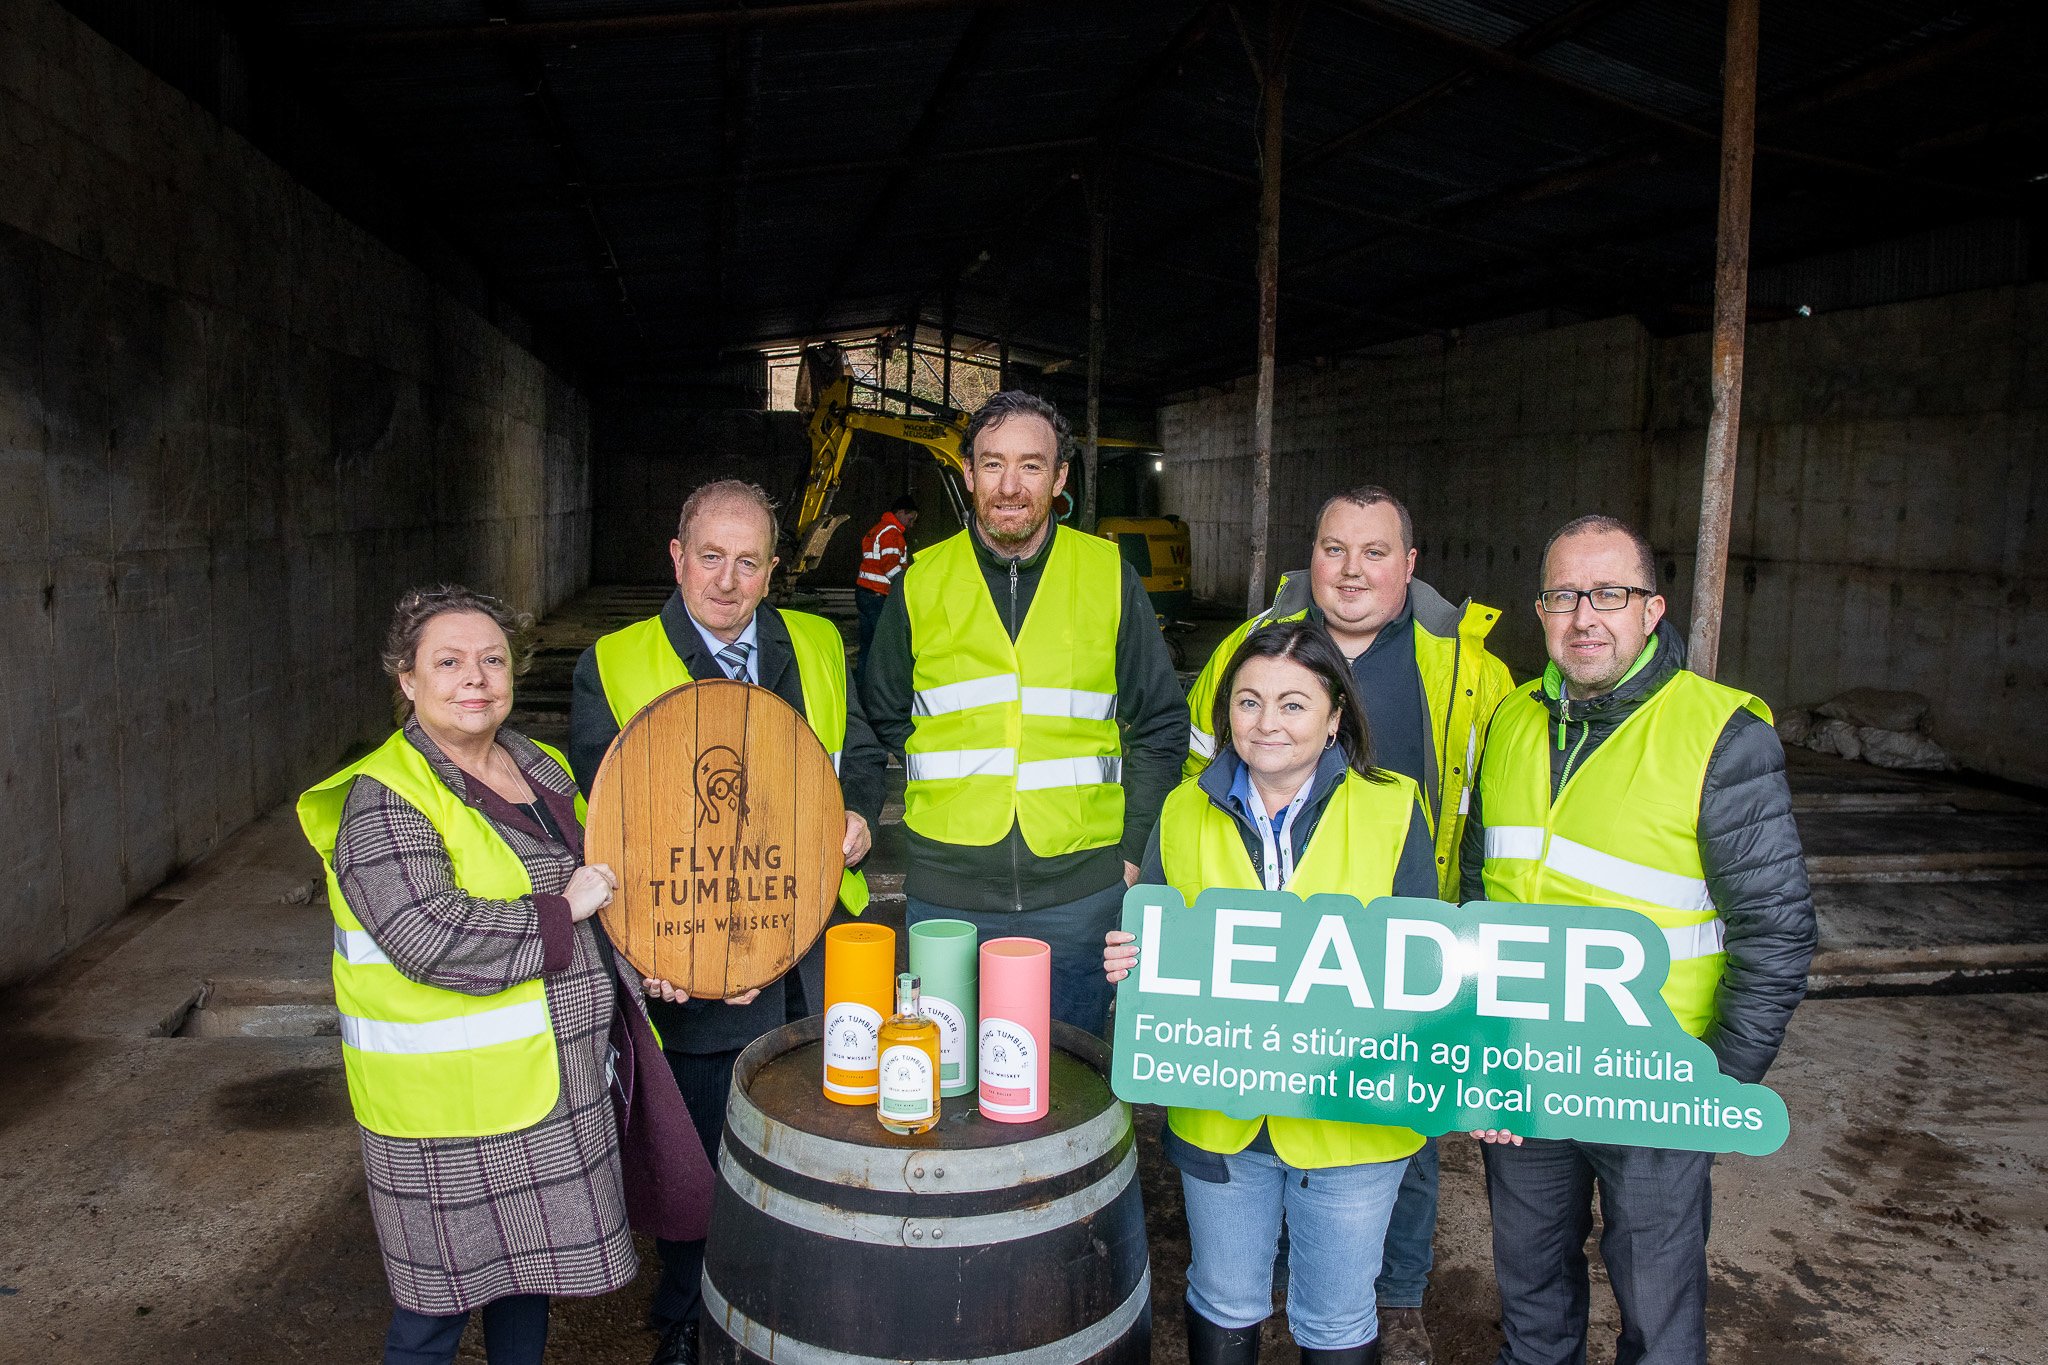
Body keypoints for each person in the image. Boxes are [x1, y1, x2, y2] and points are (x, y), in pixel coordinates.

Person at [1463, 514, 1816, 1365]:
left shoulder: (1719, 734)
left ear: (1651, 609)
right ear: (1540, 610)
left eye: (1609, 594)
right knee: (1531, 1299)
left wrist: (1715, 1086)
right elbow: (1481, 894)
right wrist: (1476, 1049)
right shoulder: (1511, 722)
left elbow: (1778, 929)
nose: (1585, 615)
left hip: (1656, 1082)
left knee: (1658, 1322)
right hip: (1528, 1072)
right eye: (1563, 595)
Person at [297, 585, 675, 1365]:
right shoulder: (386, 799)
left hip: (544, 1088)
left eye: (492, 659)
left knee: (524, 1283)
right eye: (449, 661)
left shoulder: (538, 762)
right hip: (446, 1115)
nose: (476, 677)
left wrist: (646, 963)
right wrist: (558, 910)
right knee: (433, 1315)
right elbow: (425, 934)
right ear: (407, 679)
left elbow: (606, 882)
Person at [1182, 485, 1515, 1362]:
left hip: (1400, 934)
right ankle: (1298, 1285)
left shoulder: (1472, 670)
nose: (1353, 568)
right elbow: (1194, 803)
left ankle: (1394, 1297)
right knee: (1256, 1193)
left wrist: (1468, 977)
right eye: (1335, 548)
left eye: (1375, 552)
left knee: (1393, 1137)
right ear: (1311, 556)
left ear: (1410, 565)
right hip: (1251, 986)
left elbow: (1494, 816)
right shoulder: (1244, 654)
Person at [567, 478, 888, 1365]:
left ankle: (800, 1300)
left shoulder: (819, 642)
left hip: (815, 953)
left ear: (773, 570)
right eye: (710, 556)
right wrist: (654, 949)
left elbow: (855, 752)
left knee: (818, 1131)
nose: (727, 579)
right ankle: (688, 1315)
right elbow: (609, 826)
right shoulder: (617, 661)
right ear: (677, 557)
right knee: (705, 1157)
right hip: (697, 958)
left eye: (749, 562)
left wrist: (857, 813)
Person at [1103, 622, 1439, 1365]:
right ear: (1227, 715)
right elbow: (1156, 944)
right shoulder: (1183, 810)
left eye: (1293, 703)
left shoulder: (1393, 808)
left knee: (1337, 1313)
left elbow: (1427, 967)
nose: (1267, 722)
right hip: (1220, 1114)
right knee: (1223, 1298)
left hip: (1352, 1125)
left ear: (1334, 717)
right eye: (1249, 702)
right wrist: (1132, 958)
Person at [863, 390, 1185, 1037]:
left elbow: (1161, 726)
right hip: (947, 896)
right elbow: (883, 714)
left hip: (1080, 897)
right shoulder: (920, 582)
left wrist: (1127, 858)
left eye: (1032, 465)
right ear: (967, 471)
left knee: (1071, 1093)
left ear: (1060, 476)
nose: (1011, 485)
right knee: (949, 1092)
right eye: (992, 464)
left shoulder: (1107, 574)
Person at [855, 494, 920, 685]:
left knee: (867, 646)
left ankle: (863, 686)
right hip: (878, 597)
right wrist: (905, 590)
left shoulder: (877, 530)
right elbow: (892, 568)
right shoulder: (892, 534)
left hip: (865, 593)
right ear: (900, 512)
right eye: (910, 518)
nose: (911, 524)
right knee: (885, 646)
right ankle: (881, 688)